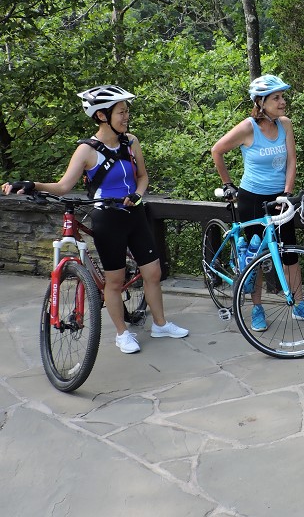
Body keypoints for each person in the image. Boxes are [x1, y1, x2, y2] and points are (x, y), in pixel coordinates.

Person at [2, 85, 189, 354]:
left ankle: (160, 324)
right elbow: (63, 186)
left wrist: (137, 195)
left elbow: (142, 177)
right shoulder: (86, 150)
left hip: (135, 215)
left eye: (126, 111)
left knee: (153, 272)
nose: (126, 116)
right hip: (108, 219)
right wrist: (33, 184)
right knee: (114, 281)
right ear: (102, 115)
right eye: (121, 112)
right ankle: (122, 334)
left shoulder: (131, 142)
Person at [211, 74, 304, 332]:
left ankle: (299, 304)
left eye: (282, 97)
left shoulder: (285, 124)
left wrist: (287, 194)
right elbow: (217, 150)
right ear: (260, 102)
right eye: (276, 98)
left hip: (279, 199)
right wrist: (228, 184)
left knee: (289, 253)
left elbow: (292, 160)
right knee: (256, 255)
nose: (282, 102)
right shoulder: (248, 127)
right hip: (252, 199)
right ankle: (257, 308)